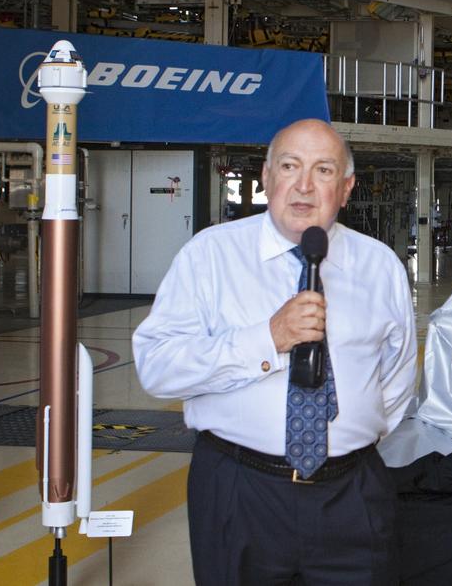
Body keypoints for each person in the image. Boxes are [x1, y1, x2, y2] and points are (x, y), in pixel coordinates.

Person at [133, 118, 416, 585]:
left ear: (346, 189)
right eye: (290, 166)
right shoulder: (210, 256)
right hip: (240, 492)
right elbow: (158, 368)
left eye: (324, 171)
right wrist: (268, 339)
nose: (304, 185)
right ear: (266, 178)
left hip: (352, 494)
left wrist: (344, 440)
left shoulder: (380, 266)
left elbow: (397, 379)